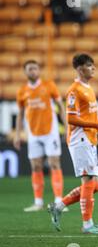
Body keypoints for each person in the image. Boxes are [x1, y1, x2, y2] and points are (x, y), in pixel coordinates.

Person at [48, 53, 98, 234]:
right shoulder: (74, 90)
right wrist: (97, 125)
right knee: (88, 180)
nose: (93, 68)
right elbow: (70, 118)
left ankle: (58, 206)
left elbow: (92, 116)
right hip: (79, 139)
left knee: (95, 186)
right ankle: (87, 224)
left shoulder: (89, 88)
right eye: (89, 65)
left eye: (93, 65)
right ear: (79, 68)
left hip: (90, 138)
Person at [14, 60, 66, 212]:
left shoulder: (49, 85)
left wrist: (67, 127)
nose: (33, 71)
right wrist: (18, 134)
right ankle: (38, 202)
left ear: (39, 70)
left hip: (50, 132)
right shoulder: (22, 91)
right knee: (35, 165)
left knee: (54, 163)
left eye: (35, 69)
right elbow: (20, 114)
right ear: (25, 72)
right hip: (33, 133)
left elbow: (61, 107)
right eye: (30, 69)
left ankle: (59, 201)